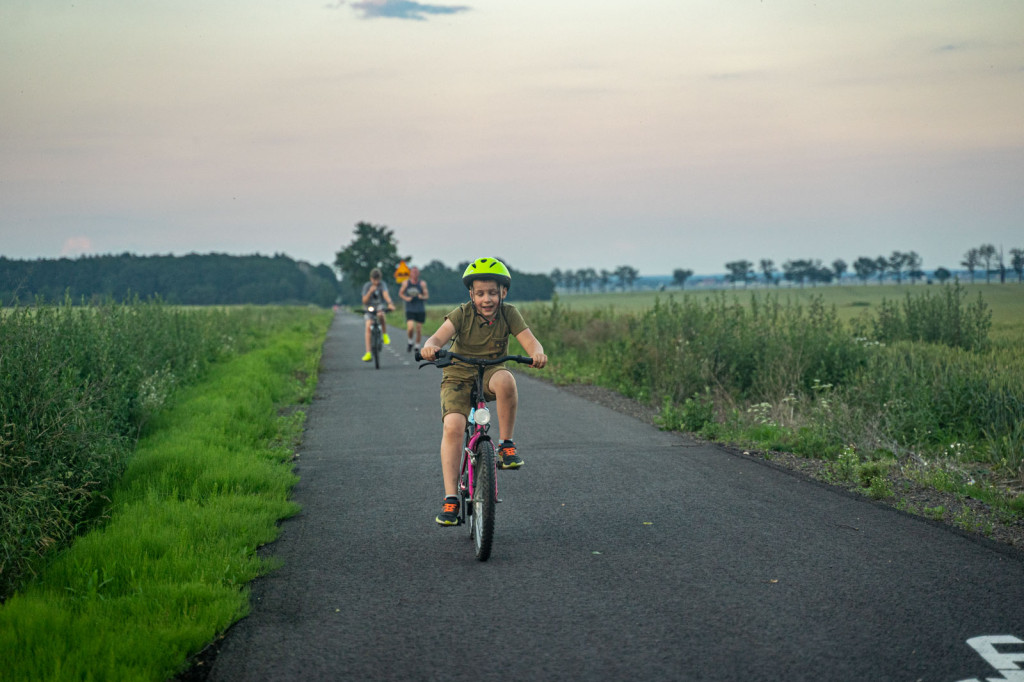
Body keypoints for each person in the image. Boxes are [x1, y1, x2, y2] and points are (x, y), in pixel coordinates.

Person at [419, 257, 547, 526]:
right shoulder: (461, 314)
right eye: (480, 294)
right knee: (453, 426)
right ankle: (451, 498)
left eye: (492, 293)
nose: (486, 299)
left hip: (490, 371)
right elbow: (438, 337)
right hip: (457, 373)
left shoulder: (509, 314)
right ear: (471, 295)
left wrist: (537, 353)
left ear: (504, 292)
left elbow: (530, 340)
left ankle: (506, 445)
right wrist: (430, 346)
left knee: (507, 380)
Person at [361, 268, 395, 362]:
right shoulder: (367, 286)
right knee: (368, 326)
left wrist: (390, 303)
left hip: (379, 306)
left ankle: (384, 334)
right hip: (369, 307)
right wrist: (370, 292)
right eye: (374, 280)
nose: (376, 282)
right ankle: (368, 352)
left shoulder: (382, 284)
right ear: (371, 279)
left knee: (381, 315)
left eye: (378, 280)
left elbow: (386, 295)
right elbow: (364, 301)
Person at [398, 266, 429, 353]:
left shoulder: (422, 284)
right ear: (410, 274)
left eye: (416, 272)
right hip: (410, 308)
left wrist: (422, 297)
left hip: (420, 309)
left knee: (418, 328)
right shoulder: (406, 283)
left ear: (418, 274)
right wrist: (406, 298)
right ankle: (410, 341)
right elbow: (401, 293)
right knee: (410, 327)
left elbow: (426, 296)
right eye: (413, 272)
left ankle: (417, 346)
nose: (415, 274)